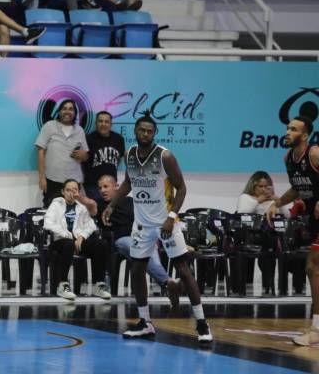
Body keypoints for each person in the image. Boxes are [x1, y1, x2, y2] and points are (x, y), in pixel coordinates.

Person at [103, 113, 212, 344]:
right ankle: (145, 323)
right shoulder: (129, 154)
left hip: (166, 223)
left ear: (154, 133)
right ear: (135, 131)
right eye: (141, 130)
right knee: (137, 269)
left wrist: (172, 217)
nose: (145, 134)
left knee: (182, 268)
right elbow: (128, 184)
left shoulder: (165, 156)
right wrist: (112, 204)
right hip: (141, 224)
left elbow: (181, 188)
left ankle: (202, 323)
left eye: (149, 131)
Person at [266, 115, 319, 346]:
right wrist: (277, 203)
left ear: (305, 135)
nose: (288, 132)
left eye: (294, 129)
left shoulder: (315, 154)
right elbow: (297, 189)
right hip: (314, 221)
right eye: (287, 128)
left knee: (313, 267)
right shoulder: (288, 158)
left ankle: (316, 330)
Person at [91, 174, 180, 305]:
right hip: (121, 239)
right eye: (100, 188)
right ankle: (167, 282)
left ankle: (168, 286)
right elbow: (89, 206)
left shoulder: (130, 201)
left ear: (116, 186)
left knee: (150, 251)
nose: (102, 190)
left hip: (141, 236)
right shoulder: (99, 204)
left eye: (106, 186)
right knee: (140, 249)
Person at [43, 179, 111, 300]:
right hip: (60, 240)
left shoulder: (81, 207)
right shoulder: (56, 204)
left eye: (74, 190)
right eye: (68, 190)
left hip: (78, 241)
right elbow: (48, 223)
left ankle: (98, 285)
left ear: (79, 192)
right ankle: (63, 285)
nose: (71, 193)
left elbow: (91, 225)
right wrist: (67, 235)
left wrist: (82, 236)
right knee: (69, 245)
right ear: (63, 192)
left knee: (101, 245)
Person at [35, 99, 89, 207]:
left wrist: (83, 156)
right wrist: (41, 177)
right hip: (53, 180)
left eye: (71, 109)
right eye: (64, 109)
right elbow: (40, 151)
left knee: (73, 213)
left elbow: (86, 155)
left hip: (74, 182)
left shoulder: (79, 130)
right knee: (51, 212)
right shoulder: (49, 126)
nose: (67, 111)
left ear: (75, 113)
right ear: (59, 111)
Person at [83, 111, 125, 201]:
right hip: (93, 186)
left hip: (111, 185)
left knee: (111, 212)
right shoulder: (88, 139)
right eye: (100, 121)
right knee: (96, 212)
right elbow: (83, 159)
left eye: (106, 122)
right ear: (96, 123)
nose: (103, 124)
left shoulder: (119, 139)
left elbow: (120, 158)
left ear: (111, 124)